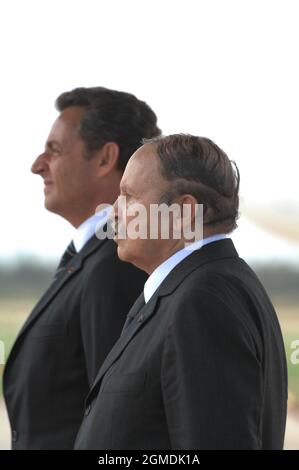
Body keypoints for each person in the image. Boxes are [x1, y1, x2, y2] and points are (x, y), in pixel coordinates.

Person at [74, 134, 288, 450]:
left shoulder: (203, 302)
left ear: (183, 213)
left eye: (129, 196)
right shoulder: (192, 290)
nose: (113, 212)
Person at [3, 87, 160, 449]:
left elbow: (120, 425)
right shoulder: (94, 257)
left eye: (54, 150)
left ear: (106, 158)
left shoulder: (118, 264)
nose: (37, 164)